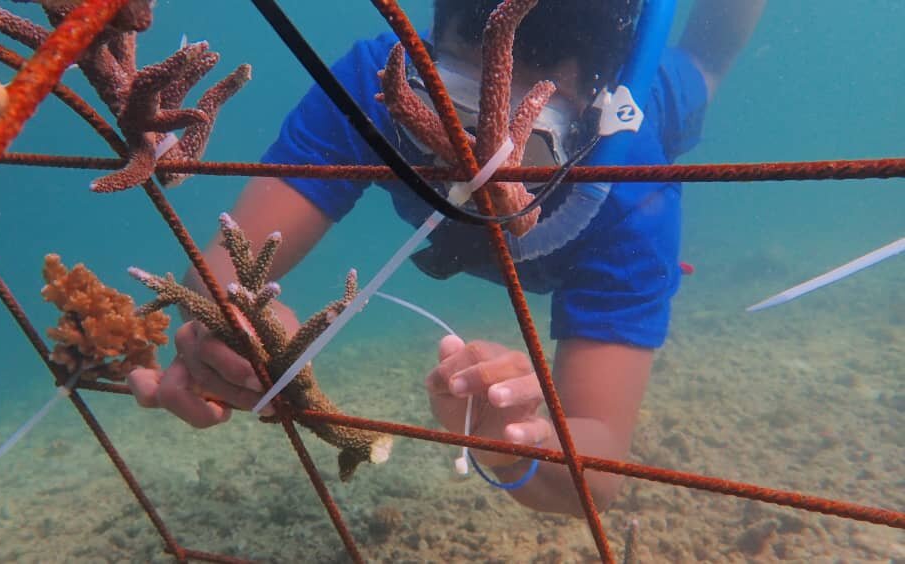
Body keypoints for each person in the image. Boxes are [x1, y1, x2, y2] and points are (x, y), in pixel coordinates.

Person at [128, 0, 765, 516]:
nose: (470, 166)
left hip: (655, 97)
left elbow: (595, 480)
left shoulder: (632, 192)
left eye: (527, 140)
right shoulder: (378, 84)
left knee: (704, 65)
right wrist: (244, 329)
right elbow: (219, 271)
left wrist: (517, 444)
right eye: (447, 110)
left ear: (585, 132)